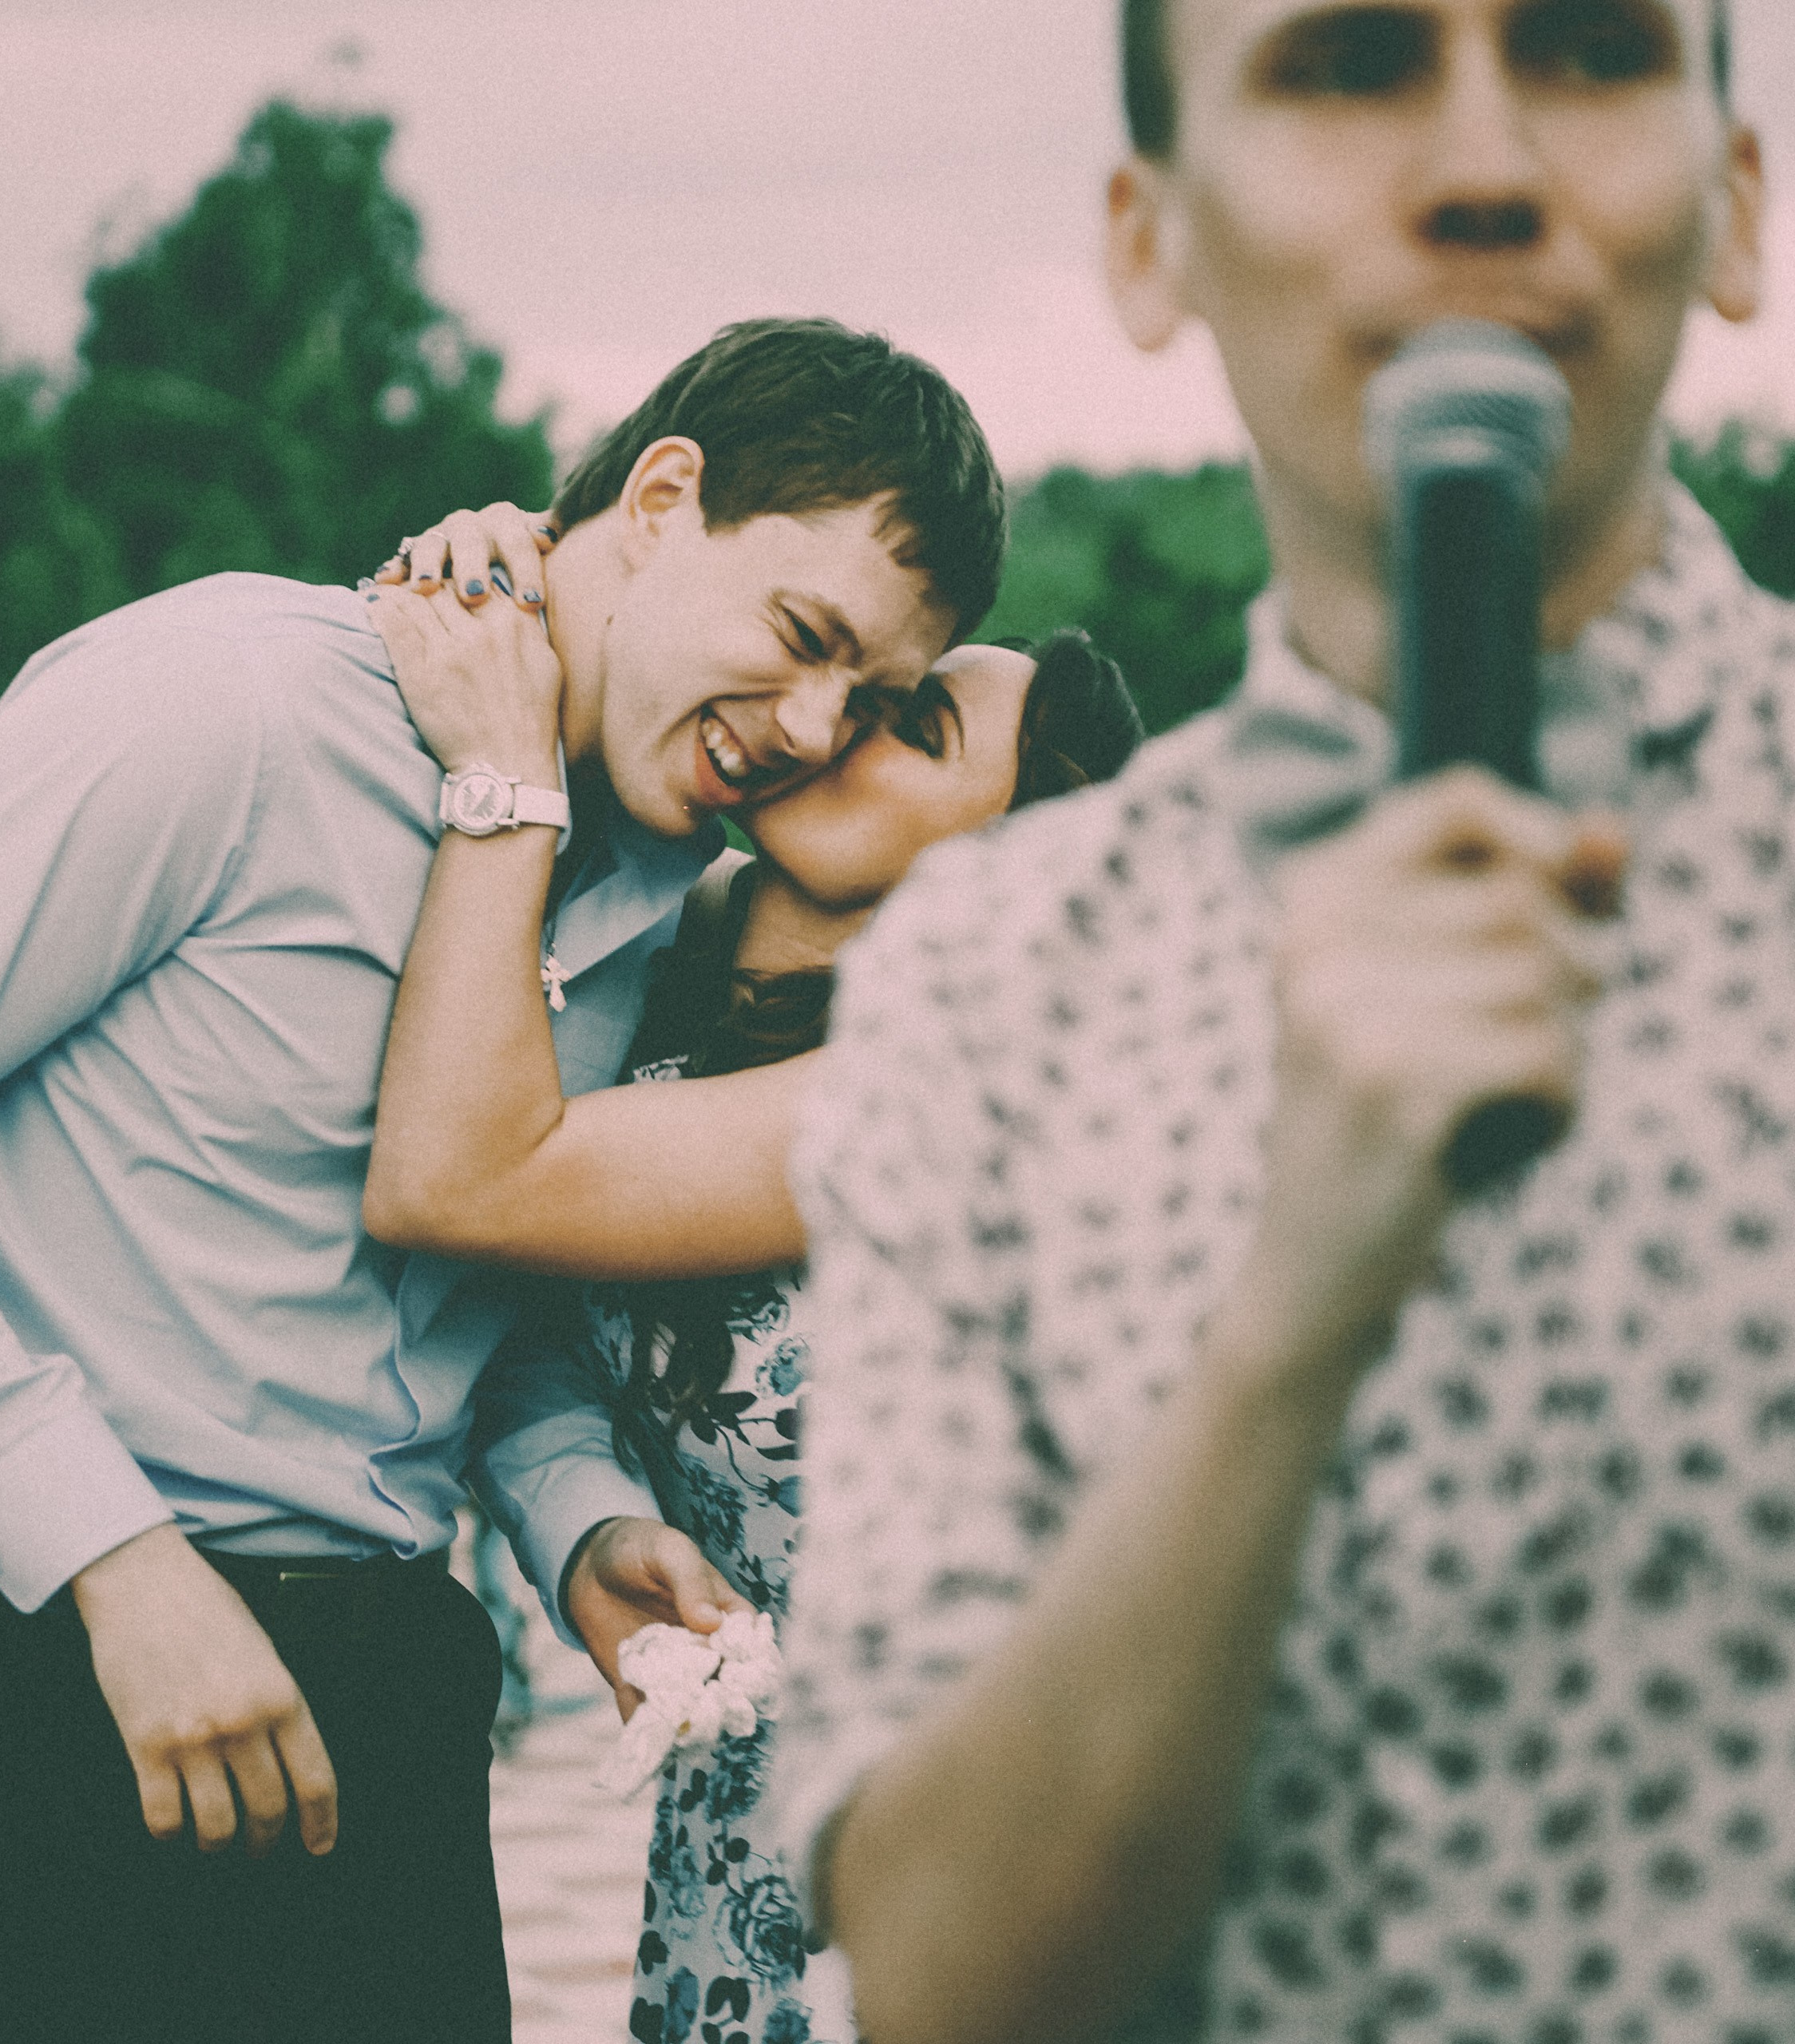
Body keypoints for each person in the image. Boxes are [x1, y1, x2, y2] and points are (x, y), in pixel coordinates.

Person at [0, 316, 1005, 2044]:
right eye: (804, 638)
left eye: (863, 701)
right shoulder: (231, 698)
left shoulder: (641, 889)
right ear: (661, 496)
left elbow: (472, 1297)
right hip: (22, 1651)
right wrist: (113, 1557)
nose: (808, 725)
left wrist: (577, 1523)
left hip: (391, 1689)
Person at [761, 5, 1786, 2042]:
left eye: (1586, 51)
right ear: (1148, 243)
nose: (1480, 165)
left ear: (1736, 202)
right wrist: (1282, 1321)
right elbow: (943, 1986)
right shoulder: (987, 979)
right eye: (1347, 65)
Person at [355, 553, 1144, 2043]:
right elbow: (530, 1329)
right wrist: (518, 554)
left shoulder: (942, 1077)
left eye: (914, 727)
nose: (836, 720)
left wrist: (507, 778)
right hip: (737, 1827)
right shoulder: (653, 958)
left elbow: (461, 1183)